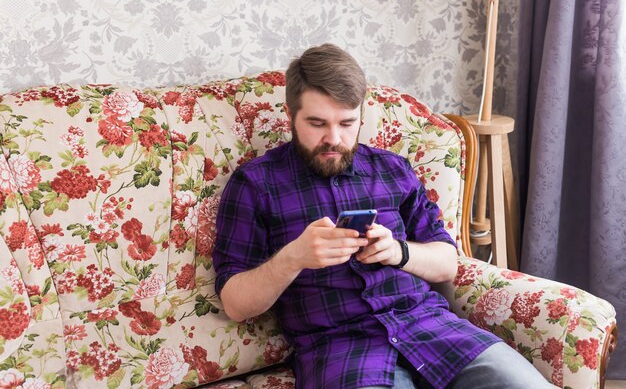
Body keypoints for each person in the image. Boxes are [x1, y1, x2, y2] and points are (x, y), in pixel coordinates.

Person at [213, 44, 552, 389]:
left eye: (347, 123)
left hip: (433, 329)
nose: (334, 138)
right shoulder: (256, 184)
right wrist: (294, 258)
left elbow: (448, 263)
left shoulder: (393, 170)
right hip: (342, 349)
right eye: (317, 123)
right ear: (290, 114)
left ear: (362, 115)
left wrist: (399, 252)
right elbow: (236, 304)